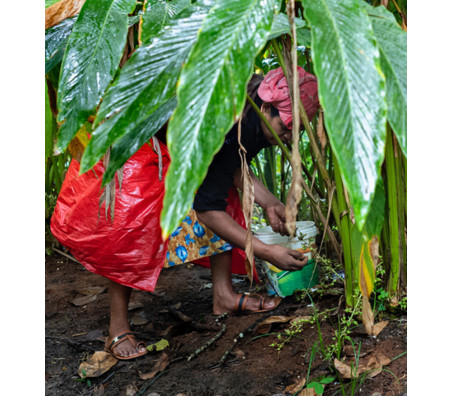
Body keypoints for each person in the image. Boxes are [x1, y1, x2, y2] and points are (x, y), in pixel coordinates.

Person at [50, 66, 320, 360]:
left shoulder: (256, 118)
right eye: (286, 127)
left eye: (297, 131)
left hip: (183, 146)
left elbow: (230, 168)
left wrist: (269, 203)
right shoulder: (233, 117)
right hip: (142, 138)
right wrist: (266, 251)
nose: (289, 136)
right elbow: (207, 211)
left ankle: (224, 296)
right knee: (131, 225)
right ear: (266, 106)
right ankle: (118, 325)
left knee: (226, 198)